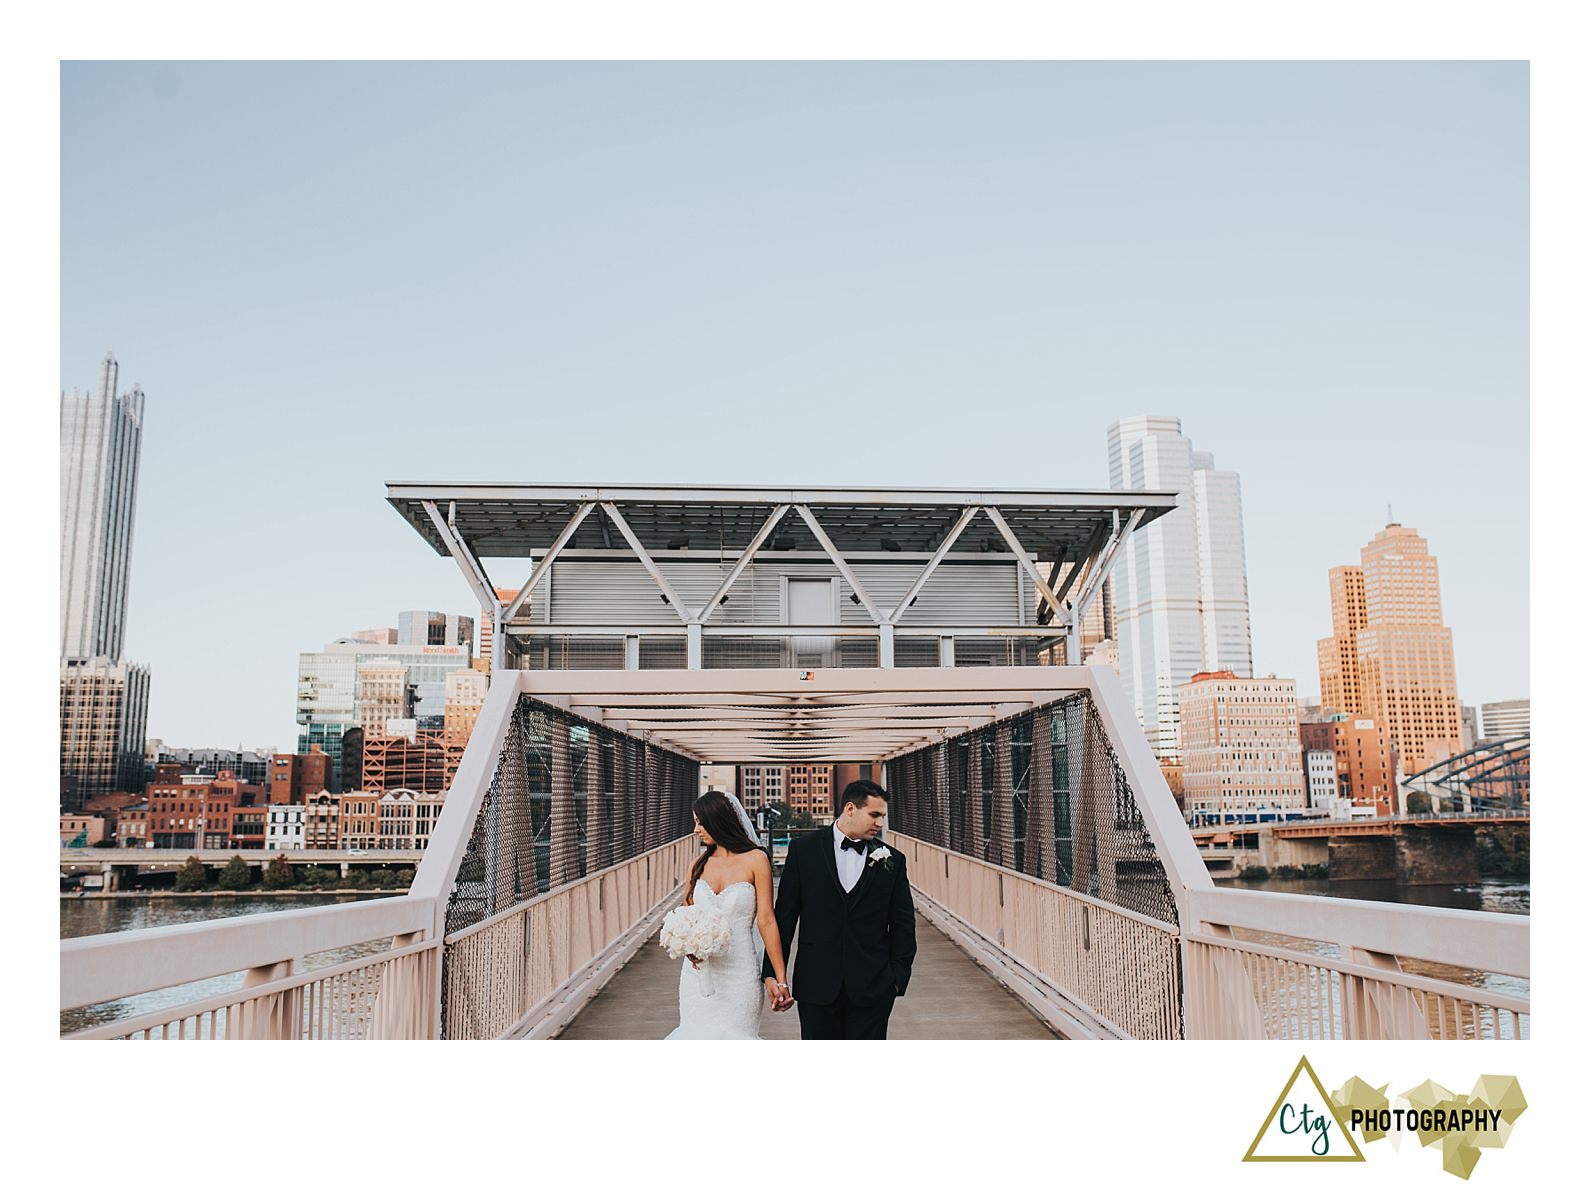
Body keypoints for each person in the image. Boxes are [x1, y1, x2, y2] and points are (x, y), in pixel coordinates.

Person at [760, 779, 916, 1039]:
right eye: (874, 815)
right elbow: (784, 918)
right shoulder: (803, 851)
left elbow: (903, 924)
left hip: (873, 988)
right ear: (851, 809)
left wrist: (897, 979)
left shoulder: (893, 860)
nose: (880, 823)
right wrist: (773, 974)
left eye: (883, 816)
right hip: (815, 985)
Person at [664, 790, 789, 1039]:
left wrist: (780, 978)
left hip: (740, 972)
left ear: (717, 821)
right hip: (698, 975)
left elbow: (766, 920)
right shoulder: (697, 865)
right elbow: (685, 917)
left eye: (700, 822)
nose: (696, 829)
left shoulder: (756, 860)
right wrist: (687, 947)